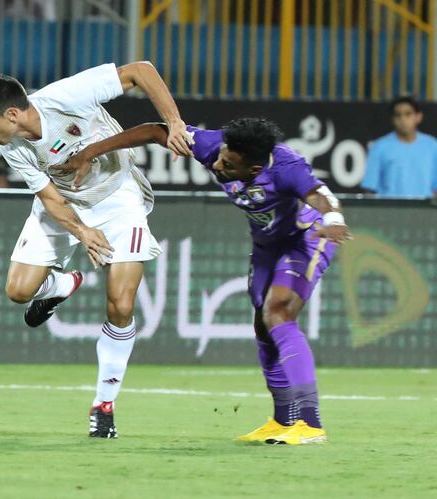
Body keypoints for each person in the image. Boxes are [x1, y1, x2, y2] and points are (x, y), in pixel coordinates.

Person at [56, 118, 351, 445]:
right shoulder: (214, 145)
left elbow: (320, 194)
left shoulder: (286, 167)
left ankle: (310, 423)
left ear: (253, 170)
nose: (218, 164)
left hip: (306, 239)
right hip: (266, 245)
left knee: (278, 313)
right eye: (221, 156)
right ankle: (283, 421)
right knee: (263, 327)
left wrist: (335, 220)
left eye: (228, 164)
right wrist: (90, 152)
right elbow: (157, 130)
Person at [0, 61, 193, 438]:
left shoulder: (64, 97)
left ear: (11, 114)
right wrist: (82, 230)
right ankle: (60, 285)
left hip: (117, 197)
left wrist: (177, 123)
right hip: (65, 206)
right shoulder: (13, 146)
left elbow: (141, 70)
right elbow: (51, 199)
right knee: (18, 291)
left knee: (121, 304)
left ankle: (104, 403)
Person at [361, 95, 437, 198]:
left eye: (408, 114)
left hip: (424, 211)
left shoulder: (432, 146)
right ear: (392, 119)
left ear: (418, 117)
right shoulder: (379, 147)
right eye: (398, 115)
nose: (403, 120)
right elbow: (369, 189)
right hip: (389, 211)